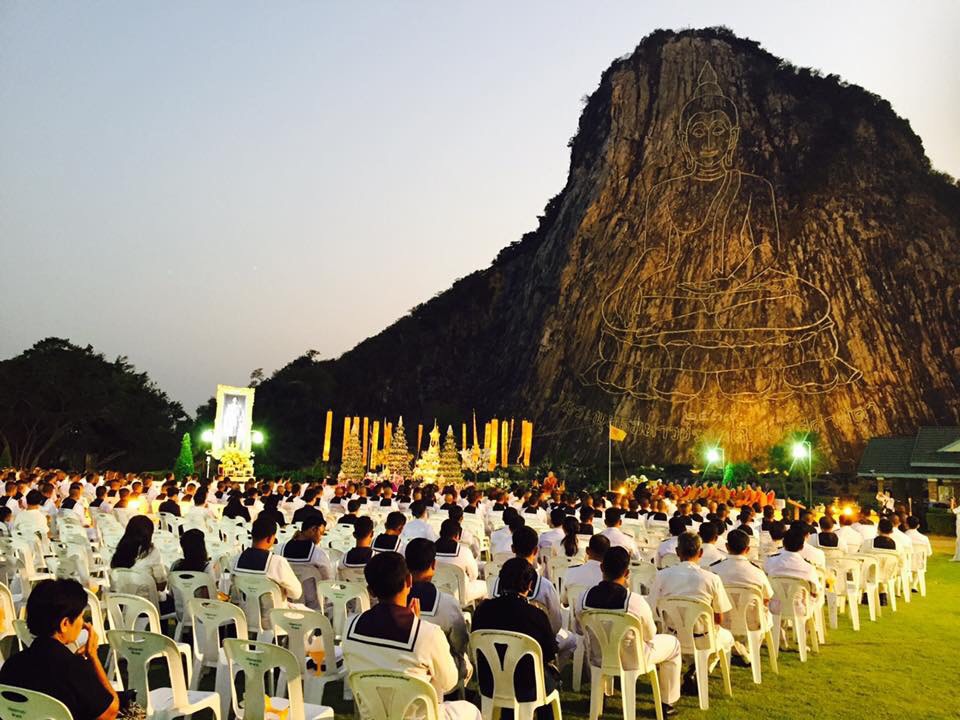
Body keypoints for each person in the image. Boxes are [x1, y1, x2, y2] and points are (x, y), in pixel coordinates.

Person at [343, 552, 480, 720]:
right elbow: (449, 682)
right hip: (421, 716)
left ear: (370, 591)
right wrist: (419, 626)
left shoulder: (350, 626)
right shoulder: (427, 634)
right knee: (471, 710)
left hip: (374, 715)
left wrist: (417, 624)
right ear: (409, 582)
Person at [577, 547, 681, 716]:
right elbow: (649, 635)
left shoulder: (583, 597)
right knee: (674, 644)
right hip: (632, 659)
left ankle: (601, 693)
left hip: (598, 657)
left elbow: (579, 629)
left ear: (602, 568)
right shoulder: (635, 601)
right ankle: (666, 702)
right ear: (627, 572)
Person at [0, 578, 119, 720]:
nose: (83, 624)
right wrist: (93, 657)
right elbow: (110, 712)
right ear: (65, 623)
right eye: (81, 617)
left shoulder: (12, 665)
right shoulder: (72, 668)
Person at [648, 531, 735, 694]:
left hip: (672, 636)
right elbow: (719, 617)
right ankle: (699, 670)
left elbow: (653, 609)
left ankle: (694, 669)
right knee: (727, 638)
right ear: (700, 553)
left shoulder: (661, 576)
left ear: (677, 552)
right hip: (703, 637)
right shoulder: (711, 578)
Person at [472, 558, 560, 715]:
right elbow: (549, 653)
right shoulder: (536, 615)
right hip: (527, 685)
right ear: (530, 585)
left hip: (490, 682)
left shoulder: (482, 610)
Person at [405, 539, 472, 686]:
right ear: (434, 565)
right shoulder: (447, 603)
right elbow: (460, 644)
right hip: (440, 678)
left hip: (404, 671)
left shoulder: (397, 601)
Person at [708, 528, 773, 665]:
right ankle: (744, 650)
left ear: (726, 547)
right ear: (748, 549)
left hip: (721, 621)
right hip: (751, 622)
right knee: (767, 613)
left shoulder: (714, 570)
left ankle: (738, 648)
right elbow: (767, 598)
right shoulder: (757, 572)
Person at [232, 516, 302, 605]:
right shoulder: (277, 562)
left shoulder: (235, 559)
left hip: (245, 615)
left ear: (252, 535)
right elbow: (296, 593)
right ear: (270, 538)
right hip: (274, 617)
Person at [110, 514, 169, 605]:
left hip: (121, 604)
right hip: (146, 607)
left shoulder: (119, 551)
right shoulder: (152, 552)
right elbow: (161, 585)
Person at [434, 519, 485, 603]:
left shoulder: (430, 549)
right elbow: (474, 575)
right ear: (457, 536)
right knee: (486, 587)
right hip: (460, 594)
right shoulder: (464, 551)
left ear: (440, 533)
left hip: (436, 591)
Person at [562, 533, 610, 606]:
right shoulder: (610, 578)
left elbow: (565, 603)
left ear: (587, 550)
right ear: (608, 553)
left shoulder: (570, 572)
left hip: (577, 617)